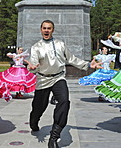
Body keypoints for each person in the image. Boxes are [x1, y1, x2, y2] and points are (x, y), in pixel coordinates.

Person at [28, 19, 95, 148]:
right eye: (44, 28)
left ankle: (54, 136)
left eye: (49, 28)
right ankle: (34, 121)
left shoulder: (60, 44)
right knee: (39, 107)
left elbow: (71, 59)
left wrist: (87, 65)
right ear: (41, 30)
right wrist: (32, 68)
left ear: (53, 30)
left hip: (58, 78)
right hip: (43, 79)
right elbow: (34, 63)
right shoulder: (36, 47)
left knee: (64, 101)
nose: (46, 30)